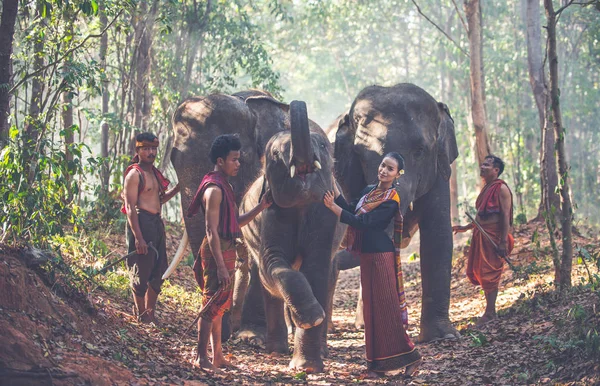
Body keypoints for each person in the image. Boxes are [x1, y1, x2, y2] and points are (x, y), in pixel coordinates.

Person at [323, 152, 422, 378]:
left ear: (397, 174)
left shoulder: (391, 198)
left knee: (386, 311)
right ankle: (377, 366)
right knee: (372, 313)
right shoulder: (369, 191)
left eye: (390, 169)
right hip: (368, 256)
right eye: (383, 165)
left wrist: (333, 209)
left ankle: (412, 357)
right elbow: (349, 209)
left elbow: (364, 223)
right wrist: (332, 185)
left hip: (381, 257)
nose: (383, 170)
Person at [187, 134, 271, 371]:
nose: (238, 164)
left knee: (220, 306)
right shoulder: (214, 189)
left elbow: (235, 222)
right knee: (210, 303)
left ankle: (218, 356)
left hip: (227, 247)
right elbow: (211, 231)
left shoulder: (226, 185)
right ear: (221, 161)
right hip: (217, 250)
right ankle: (201, 357)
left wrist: (261, 207)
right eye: (234, 159)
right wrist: (221, 266)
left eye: (239, 159)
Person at [122, 132, 180, 324]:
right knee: (141, 269)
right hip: (141, 223)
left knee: (159, 269)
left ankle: (150, 313)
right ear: (138, 150)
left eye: (153, 148)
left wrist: (178, 189)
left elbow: (159, 200)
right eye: (146, 149)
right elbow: (130, 207)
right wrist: (138, 238)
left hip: (156, 223)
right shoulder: (134, 174)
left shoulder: (154, 174)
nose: (151, 152)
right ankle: (141, 315)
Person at [452, 154, 514, 325]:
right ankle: (489, 311)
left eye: (487, 165)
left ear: (496, 170)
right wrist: (464, 228)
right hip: (481, 235)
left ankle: (490, 312)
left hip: (494, 237)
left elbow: (505, 216)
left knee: (490, 274)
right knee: (481, 272)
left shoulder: (501, 189)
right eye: (483, 164)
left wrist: (502, 241)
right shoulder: (486, 188)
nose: (483, 166)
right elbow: (480, 217)